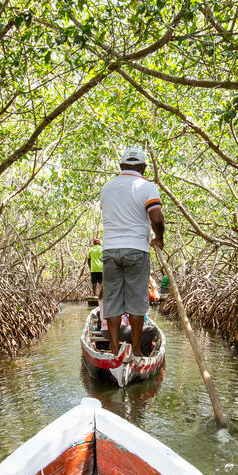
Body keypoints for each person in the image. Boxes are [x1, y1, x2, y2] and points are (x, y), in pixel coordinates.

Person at [99, 146, 164, 362]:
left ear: (121, 166)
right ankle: (136, 352)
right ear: (143, 167)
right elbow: (156, 216)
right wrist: (159, 238)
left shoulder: (106, 188)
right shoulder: (147, 186)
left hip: (109, 250)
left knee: (112, 302)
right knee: (137, 303)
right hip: (136, 248)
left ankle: (114, 350)